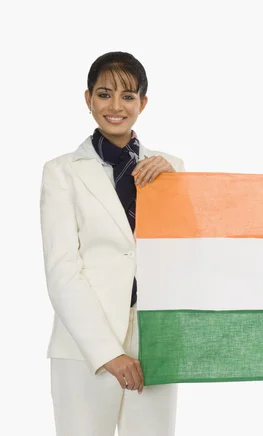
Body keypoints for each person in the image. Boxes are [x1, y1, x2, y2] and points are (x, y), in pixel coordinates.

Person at [40, 52, 184, 436]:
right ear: (88, 99)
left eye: (128, 96)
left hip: (156, 338)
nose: (116, 107)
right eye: (104, 95)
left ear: (143, 103)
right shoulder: (61, 172)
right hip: (84, 344)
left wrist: (177, 188)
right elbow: (61, 271)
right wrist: (108, 353)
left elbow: (189, 254)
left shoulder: (172, 167)